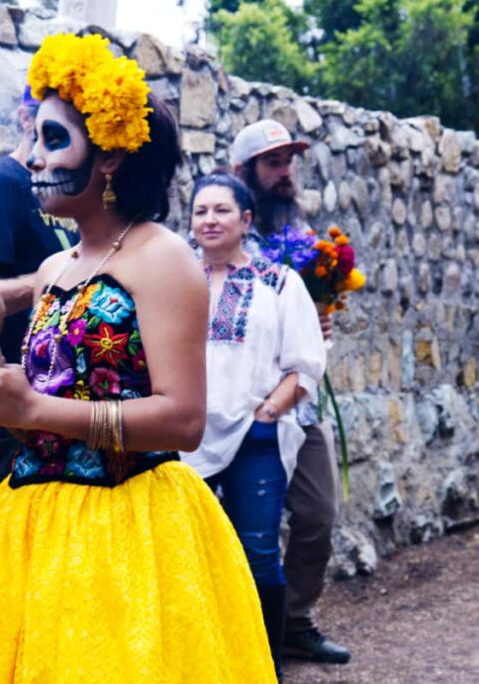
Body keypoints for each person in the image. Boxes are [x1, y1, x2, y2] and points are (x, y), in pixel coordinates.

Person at [0, 33, 275, 683]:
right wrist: (0, 399)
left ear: (109, 156)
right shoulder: (56, 267)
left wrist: (36, 404)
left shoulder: (163, 258)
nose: (29, 159)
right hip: (32, 528)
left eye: (53, 141)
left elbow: (183, 420)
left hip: (129, 533)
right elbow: (57, 404)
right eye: (33, 139)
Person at [181, 171, 327, 679]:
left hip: (254, 437)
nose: (209, 220)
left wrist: (267, 416)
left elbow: (305, 363)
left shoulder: (279, 282)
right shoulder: (177, 281)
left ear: (246, 220)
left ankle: (265, 666)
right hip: (185, 439)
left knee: (258, 554)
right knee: (187, 554)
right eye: (201, 211)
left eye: (221, 210)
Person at [232, 119, 352, 665]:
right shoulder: (224, 239)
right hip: (240, 408)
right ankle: (242, 635)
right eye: (273, 163)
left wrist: (321, 323)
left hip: (300, 405)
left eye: (290, 162)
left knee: (318, 514)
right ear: (245, 172)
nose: (286, 174)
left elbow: (310, 325)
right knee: (240, 530)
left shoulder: (303, 241)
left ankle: (294, 622)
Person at [0, 85, 78, 493]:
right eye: (48, 131)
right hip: (19, 397)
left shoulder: (68, 194)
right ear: (27, 120)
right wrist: (49, 280)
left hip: (71, 400)